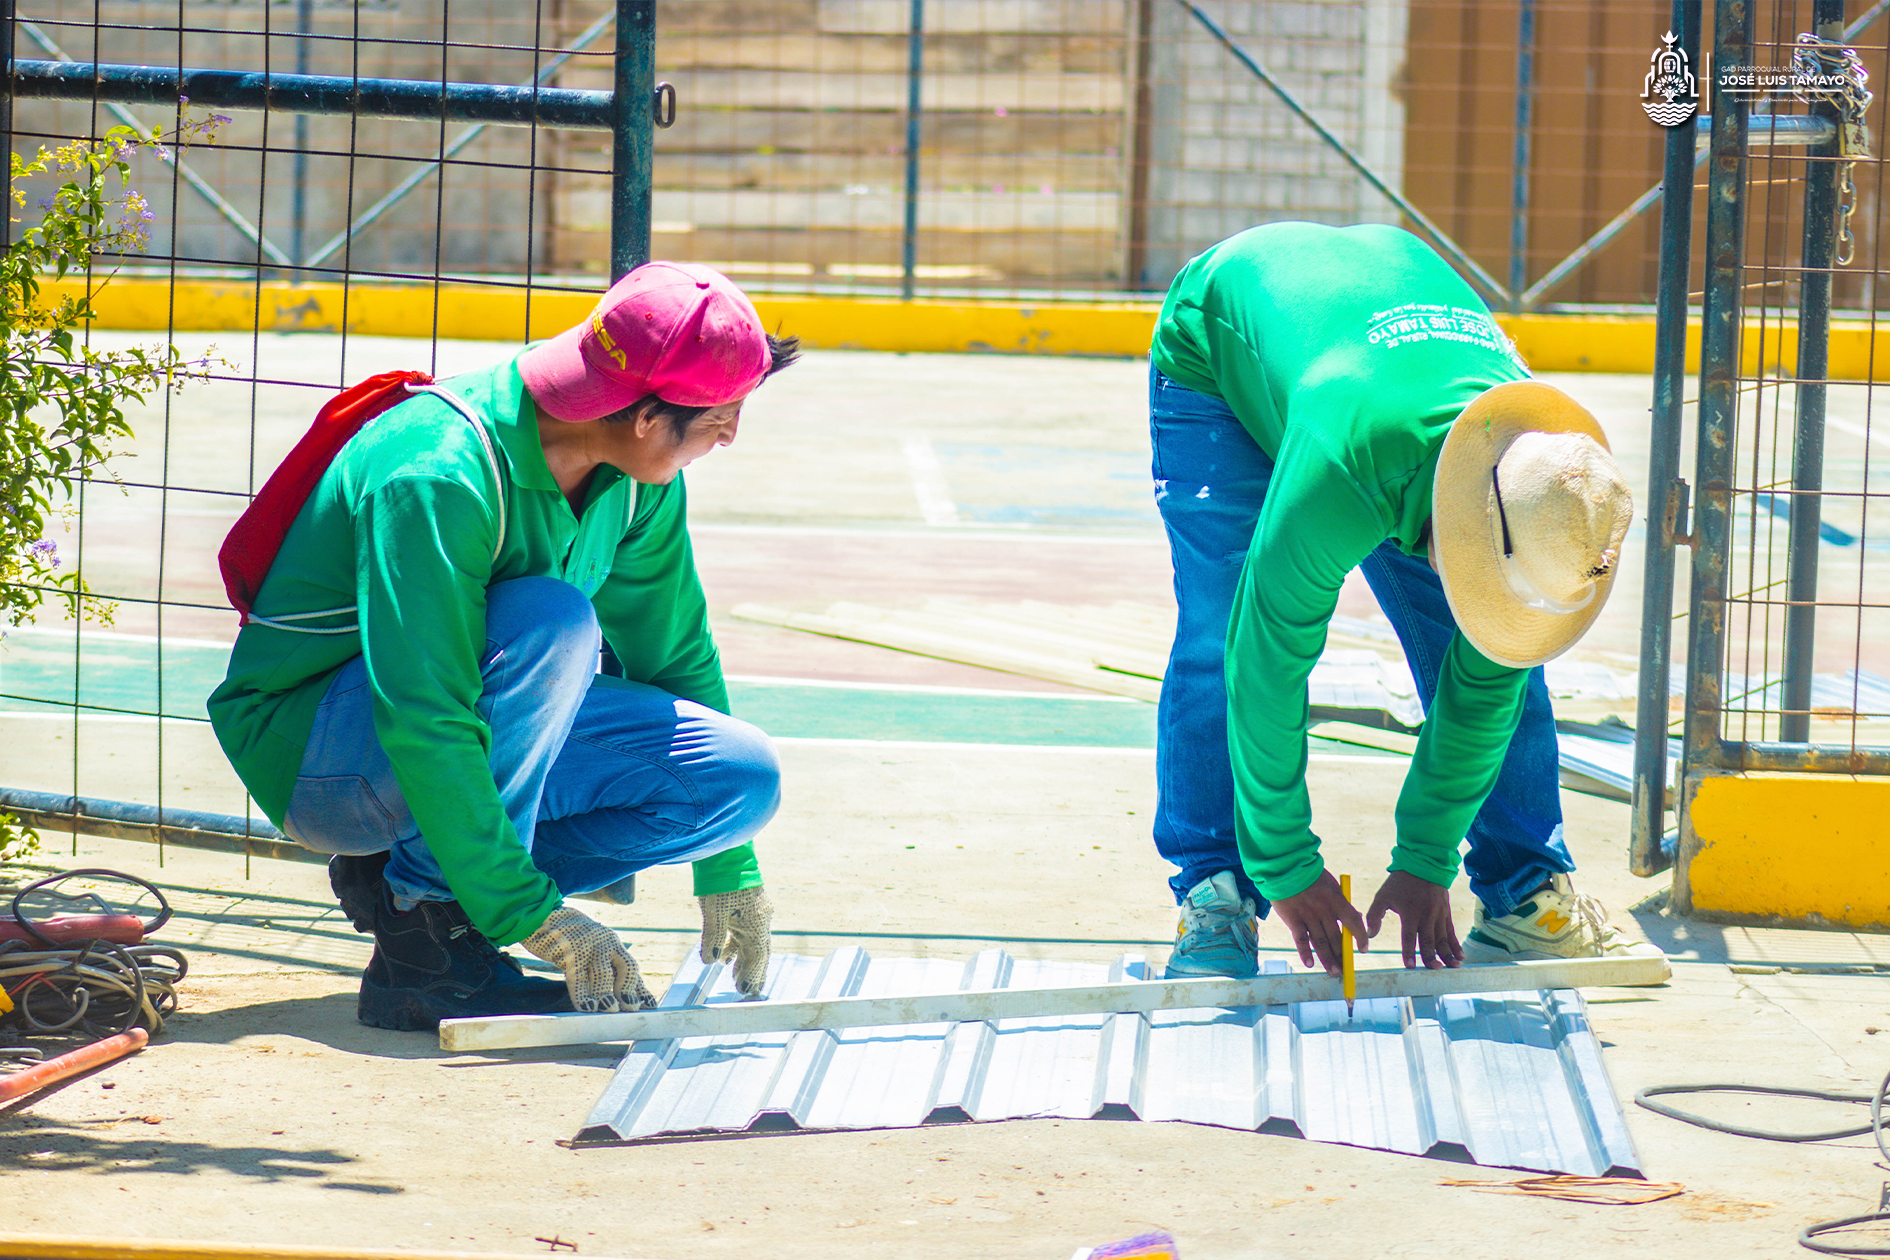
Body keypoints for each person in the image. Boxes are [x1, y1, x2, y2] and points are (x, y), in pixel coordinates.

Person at [208, 262, 799, 1030]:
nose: (731, 434)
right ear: (646, 417)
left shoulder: (638, 479)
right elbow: (424, 710)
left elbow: (676, 656)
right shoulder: (437, 472)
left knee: (738, 781)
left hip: (440, 733)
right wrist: (530, 914)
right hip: (323, 758)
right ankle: (428, 935)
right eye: (722, 414)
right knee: (550, 622)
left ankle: (417, 879)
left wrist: (728, 867)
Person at [1147, 222, 1660, 979]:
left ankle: (1521, 892)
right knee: (1219, 629)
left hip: (1371, 360)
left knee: (1504, 644)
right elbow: (1263, 666)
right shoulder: (1343, 473)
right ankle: (1216, 888)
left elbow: (1489, 679)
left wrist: (1426, 858)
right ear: (1455, 528)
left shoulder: (1549, 478)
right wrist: (1286, 865)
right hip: (1223, 344)